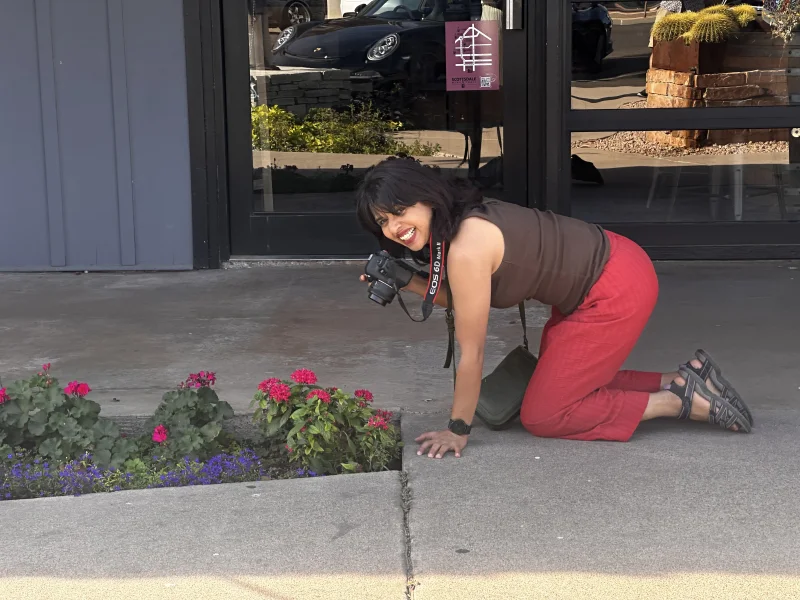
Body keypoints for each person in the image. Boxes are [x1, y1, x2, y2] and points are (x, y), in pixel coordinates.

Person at [356, 158, 753, 459]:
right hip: (609, 270)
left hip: (613, 288)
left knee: (545, 414)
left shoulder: (465, 247)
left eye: (400, 211)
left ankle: (678, 402)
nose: (394, 228)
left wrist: (458, 428)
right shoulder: (459, 222)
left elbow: (472, 351)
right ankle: (688, 377)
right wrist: (408, 280)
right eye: (383, 221)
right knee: (564, 384)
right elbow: (465, 296)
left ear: (426, 197)